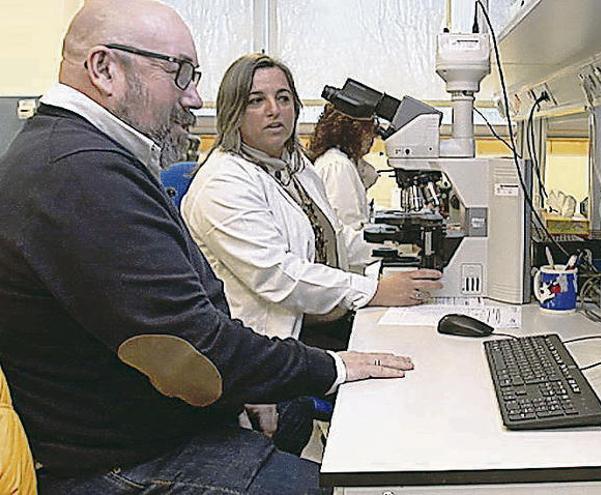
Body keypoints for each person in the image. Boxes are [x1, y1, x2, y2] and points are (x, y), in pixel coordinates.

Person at [0, 1, 413, 493]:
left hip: (156, 426)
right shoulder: (76, 172)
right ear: (105, 69)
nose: (195, 98)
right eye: (180, 74)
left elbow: (183, 317)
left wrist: (238, 381)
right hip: (120, 462)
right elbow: (189, 342)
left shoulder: (86, 157)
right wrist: (335, 366)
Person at [181, 54, 443, 452]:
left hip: (314, 320)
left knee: (416, 360)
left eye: (283, 98)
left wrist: (390, 256)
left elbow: (333, 237)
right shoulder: (224, 183)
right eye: (257, 100)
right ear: (233, 111)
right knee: (387, 393)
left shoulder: (293, 166)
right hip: (270, 344)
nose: (274, 111)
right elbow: (278, 275)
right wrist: (373, 290)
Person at [308, 103, 380, 234]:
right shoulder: (338, 166)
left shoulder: (338, 160)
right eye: (367, 131)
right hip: (350, 250)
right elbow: (349, 228)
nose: (372, 138)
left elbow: (368, 176)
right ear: (352, 131)